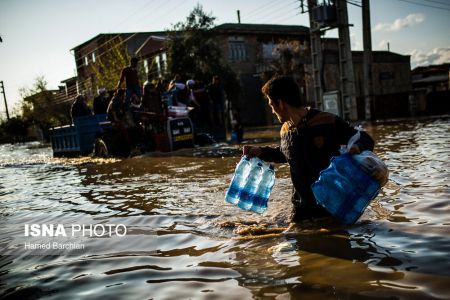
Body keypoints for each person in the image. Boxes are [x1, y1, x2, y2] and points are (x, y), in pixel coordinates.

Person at [243, 75, 375, 223]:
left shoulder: (327, 121)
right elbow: (286, 153)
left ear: (280, 103)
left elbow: (364, 138)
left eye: (271, 105)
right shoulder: (285, 130)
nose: (272, 111)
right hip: (300, 211)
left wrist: (356, 147)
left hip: (330, 208)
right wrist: (260, 152)